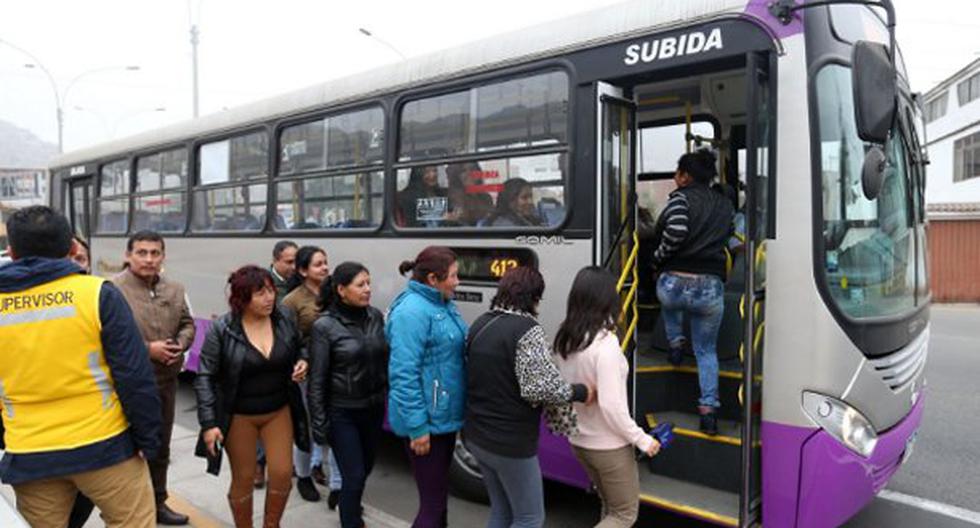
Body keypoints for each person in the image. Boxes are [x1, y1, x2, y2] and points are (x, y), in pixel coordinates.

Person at [0, 206, 162, 528]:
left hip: (31, 454)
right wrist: (148, 440)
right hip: (107, 448)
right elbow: (134, 376)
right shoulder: (97, 294)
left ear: (12, 251)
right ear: (73, 249)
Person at [464, 266, 594, 528]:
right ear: (533, 297)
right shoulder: (527, 330)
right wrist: (580, 391)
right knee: (530, 518)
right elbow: (538, 387)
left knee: (501, 512)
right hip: (510, 443)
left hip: (477, 436)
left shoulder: (482, 322)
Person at [194, 265, 310, 528]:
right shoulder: (222, 329)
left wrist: (303, 361)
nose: (269, 298)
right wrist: (209, 424)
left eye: (270, 291)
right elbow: (205, 377)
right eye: (260, 293)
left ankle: (272, 524)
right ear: (242, 298)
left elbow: (301, 345)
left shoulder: (284, 319)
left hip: (278, 409)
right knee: (244, 478)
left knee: (281, 474)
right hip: (239, 415)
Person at [554, 266, 662, 528]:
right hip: (609, 447)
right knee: (624, 515)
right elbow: (612, 407)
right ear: (606, 300)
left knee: (609, 506)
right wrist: (643, 440)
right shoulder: (606, 346)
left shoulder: (566, 338)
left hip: (580, 441)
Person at [112, 230, 196, 525]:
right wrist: (149, 349)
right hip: (127, 386)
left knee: (160, 447)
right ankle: (126, 508)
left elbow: (187, 323)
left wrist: (180, 345)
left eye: (155, 253)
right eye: (142, 253)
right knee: (126, 450)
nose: (149, 259)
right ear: (128, 255)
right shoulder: (111, 290)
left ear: (163, 256)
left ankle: (158, 503)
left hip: (165, 382)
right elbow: (106, 337)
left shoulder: (174, 288)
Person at [649, 150, 734, 435]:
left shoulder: (680, 199)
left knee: (669, 301)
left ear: (685, 176)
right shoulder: (724, 204)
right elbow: (730, 237)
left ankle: (674, 343)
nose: (675, 178)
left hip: (674, 282)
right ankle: (708, 410)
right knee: (706, 350)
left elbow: (674, 234)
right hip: (709, 287)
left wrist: (658, 258)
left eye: (677, 173)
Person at [387, 246, 467, 528]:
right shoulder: (411, 312)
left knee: (439, 500)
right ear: (433, 279)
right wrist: (417, 427)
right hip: (426, 424)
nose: (458, 282)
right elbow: (403, 374)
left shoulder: (441, 304)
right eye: (454, 276)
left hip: (442, 418)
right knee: (432, 507)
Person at [308, 262, 388, 528]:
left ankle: (350, 508)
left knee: (363, 471)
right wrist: (319, 424)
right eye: (360, 284)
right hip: (343, 412)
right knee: (352, 477)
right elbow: (317, 379)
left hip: (374, 408)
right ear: (341, 290)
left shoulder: (375, 316)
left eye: (369, 283)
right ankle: (351, 521)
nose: (367, 289)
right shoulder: (325, 326)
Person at [281, 245, 338, 503]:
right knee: (306, 427)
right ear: (303, 270)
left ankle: (338, 486)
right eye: (318, 264)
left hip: (336, 371)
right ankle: (304, 476)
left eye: (326, 262)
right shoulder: (291, 301)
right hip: (306, 373)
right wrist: (302, 360)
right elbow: (287, 340)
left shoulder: (336, 292)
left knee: (337, 427)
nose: (325, 268)